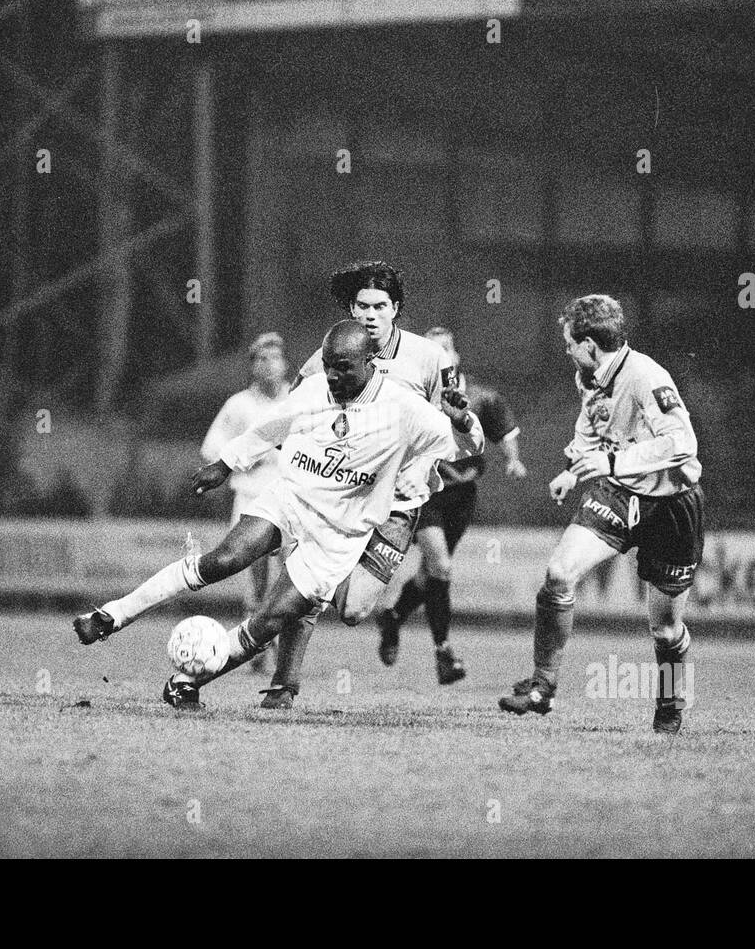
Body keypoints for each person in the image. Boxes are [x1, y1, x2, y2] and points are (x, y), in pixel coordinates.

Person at [72, 320, 484, 710]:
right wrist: (226, 464)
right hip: (289, 498)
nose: (334, 377)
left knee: (269, 618)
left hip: (337, 534)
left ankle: (187, 683)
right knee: (222, 561)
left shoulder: (404, 408)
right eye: (328, 367)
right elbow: (272, 426)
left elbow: (468, 447)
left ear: (370, 363)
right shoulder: (315, 388)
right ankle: (110, 615)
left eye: (343, 369)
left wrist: (462, 418)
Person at [497, 295, 704, 734]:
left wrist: (612, 463)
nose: (566, 349)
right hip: (617, 494)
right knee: (558, 573)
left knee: (665, 630)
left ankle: (670, 702)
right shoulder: (588, 375)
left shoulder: (647, 376)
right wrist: (573, 472)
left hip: (670, 504)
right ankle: (543, 686)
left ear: (590, 343)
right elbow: (592, 427)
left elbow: (682, 444)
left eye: (570, 342)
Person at [259, 260, 456, 708]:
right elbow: (294, 419)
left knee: (351, 610)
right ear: (351, 308)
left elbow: (452, 431)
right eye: (361, 305)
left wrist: (425, 461)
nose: (369, 314)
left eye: (379, 306)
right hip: (336, 495)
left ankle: (379, 611)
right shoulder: (325, 358)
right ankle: (282, 685)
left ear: (396, 308)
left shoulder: (428, 359)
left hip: (397, 503)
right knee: (307, 587)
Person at [375, 326, 528, 683]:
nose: (438, 357)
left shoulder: (480, 397)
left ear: (456, 357)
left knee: (430, 575)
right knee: (441, 565)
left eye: (445, 350)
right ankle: (443, 652)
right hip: (424, 491)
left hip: (462, 495)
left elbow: (504, 433)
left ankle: (394, 616)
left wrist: (513, 460)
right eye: (431, 351)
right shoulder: (412, 396)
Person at [199, 332, 291, 672]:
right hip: (252, 499)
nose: (268, 365)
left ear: (285, 363)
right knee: (255, 579)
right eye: (261, 359)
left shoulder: (297, 399)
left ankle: (284, 646)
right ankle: (254, 648)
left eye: (275, 357)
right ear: (252, 366)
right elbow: (211, 449)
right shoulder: (239, 404)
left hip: (291, 498)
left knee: (292, 576)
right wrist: (245, 457)